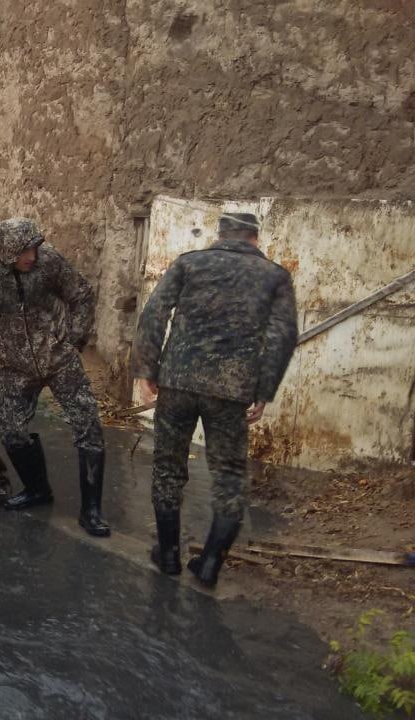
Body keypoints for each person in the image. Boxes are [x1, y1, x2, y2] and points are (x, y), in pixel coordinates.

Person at [132, 213, 297, 586]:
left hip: (177, 383)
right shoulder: (274, 276)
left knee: (167, 469)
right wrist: (263, 390)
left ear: (219, 235)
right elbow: (282, 335)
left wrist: (147, 370)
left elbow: (154, 314)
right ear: (254, 238)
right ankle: (209, 565)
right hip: (230, 392)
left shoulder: (190, 263)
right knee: (230, 477)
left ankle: (170, 555)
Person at [0, 218, 110, 536]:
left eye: (34, 249)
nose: (32, 257)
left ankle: (91, 510)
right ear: (9, 251)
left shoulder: (50, 261)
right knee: (12, 433)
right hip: (15, 366)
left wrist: (74, 338)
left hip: (58, 358)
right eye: (25, 251)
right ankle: (38, 489)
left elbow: (80, 294)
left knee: (88, 428)